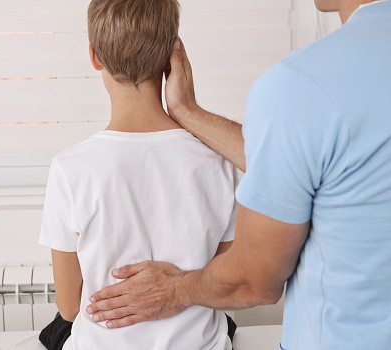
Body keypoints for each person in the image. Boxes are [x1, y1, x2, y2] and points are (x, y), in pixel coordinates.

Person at [86, 1, 391, 349]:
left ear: (95, 56)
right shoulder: (312, 97)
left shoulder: (305, 85)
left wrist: (173, 290)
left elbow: (254, 281)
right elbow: (322, 162)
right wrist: (187, 111)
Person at [38, 0, 239, 349]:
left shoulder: (70, 168)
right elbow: (220, 283)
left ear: (94, 55)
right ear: (171, 56)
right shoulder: (220, 160)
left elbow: (70, 308)